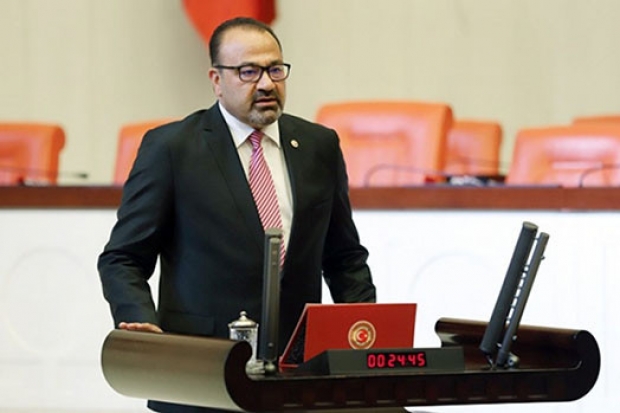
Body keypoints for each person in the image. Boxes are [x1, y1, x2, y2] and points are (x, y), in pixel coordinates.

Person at [98, 16, 376, 413]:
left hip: (297, 378)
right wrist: (143, 326)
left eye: (275, 69)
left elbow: (344, 257)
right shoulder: (172, 149)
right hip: (200, 373)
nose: (266, 84)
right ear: (216, 79)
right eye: (248, 72)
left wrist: (366, 331)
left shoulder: (319, 146)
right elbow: (123, 257)